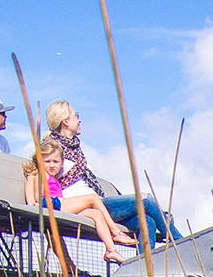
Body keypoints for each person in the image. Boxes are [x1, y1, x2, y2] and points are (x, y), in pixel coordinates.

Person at [42, 99, 177, 246]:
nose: (79, 120)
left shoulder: (74, 148)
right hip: (84, 203)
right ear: (65, 121)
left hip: (98, 203)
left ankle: (143, 266)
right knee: (145, 199)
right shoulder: (52, 149)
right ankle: (180, 243)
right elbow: (40, 176)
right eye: (76, 115)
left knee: (147, 221)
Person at [25, 132, 139, 265]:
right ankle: (115, 231)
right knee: (92, 198)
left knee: (96, 214)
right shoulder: (37, 175)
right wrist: (35, 203)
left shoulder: (54, 178)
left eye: (56, 162)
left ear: (61, 163)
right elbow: (32, 199)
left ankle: (111, 250)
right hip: (52, 204)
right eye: (47, 162)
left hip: (60, 205)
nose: (52, 165)